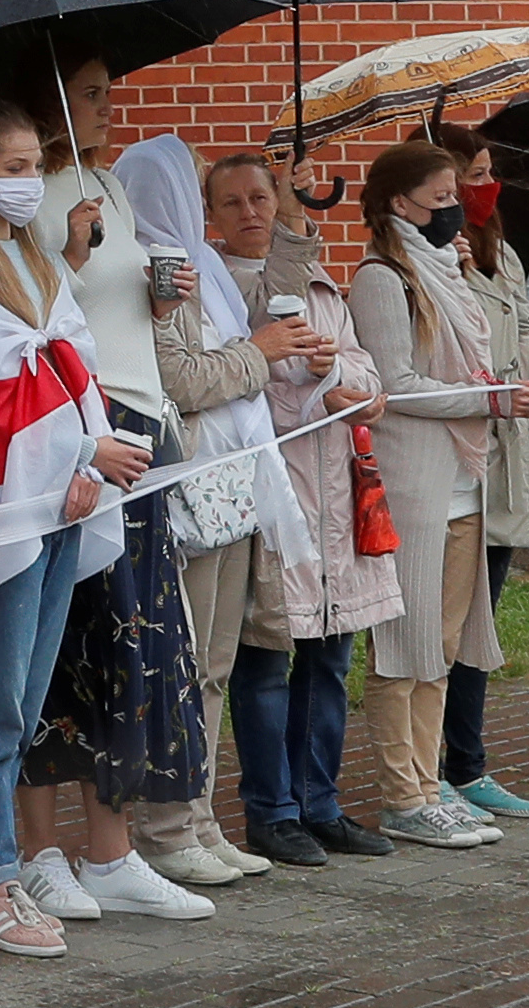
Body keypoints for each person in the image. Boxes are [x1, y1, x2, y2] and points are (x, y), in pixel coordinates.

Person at [0, 103, 136, 955]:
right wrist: (80, 448)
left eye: (33, 165)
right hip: (4, 503)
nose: (25, 182)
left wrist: (88, 463)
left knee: (25, 694)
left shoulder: (36, 261)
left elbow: (74, 367)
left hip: (62, 500)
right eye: (8, 166)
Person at [40, 60, 238, 908]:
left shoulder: (111, 184)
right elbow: (37, 309)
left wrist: (164, 302)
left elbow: (121, 305)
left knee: (138, 645)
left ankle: (113, 851)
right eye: (90, 92)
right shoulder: (37, 193)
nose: (106, 105)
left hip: (144, 418)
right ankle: (41, 850)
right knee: (77, 643)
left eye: (105, 90)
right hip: (88, 422)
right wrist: (68, 250)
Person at [171, 154, 399, 868]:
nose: (250, 212)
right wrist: (300, 389)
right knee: (265, 660)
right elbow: (240, 396)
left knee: (330, 659)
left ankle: (319, 800)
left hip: (335, 499)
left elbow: (368, 373)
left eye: (261, 197)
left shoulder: (325, 289)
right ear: (211, 216)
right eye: (232, 202)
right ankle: (271, 808)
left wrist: (338, 374)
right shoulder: (213, 295)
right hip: (273, 499)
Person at [344, 138, 526, 847]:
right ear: (400, 203)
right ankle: (402, 792)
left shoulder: (447, 270)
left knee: (441, 647)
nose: (458, 210)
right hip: (415, 482)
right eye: (444, 199)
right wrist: (489, 398)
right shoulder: (383, 277)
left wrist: (497, 391)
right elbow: (397, 385)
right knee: (403, 645)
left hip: (461, 483)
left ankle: (430, 782)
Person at [429, 128, 529, 824]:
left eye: (486, 172)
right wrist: (450, 272)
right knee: (449, 621)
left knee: (482, 620)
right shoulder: (423, 264)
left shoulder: (499, 251)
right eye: (466, 177)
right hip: (459, 464)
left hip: (510, 462)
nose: (483, 186)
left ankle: (469, 764)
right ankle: (435, 766)